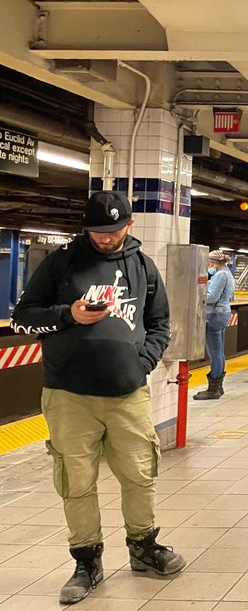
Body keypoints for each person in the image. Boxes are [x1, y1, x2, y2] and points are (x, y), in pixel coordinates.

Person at [11, 191, 186, 605]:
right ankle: (86, 560)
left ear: (129, 225)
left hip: (128, 393)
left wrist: (140, 362)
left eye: (112, 231)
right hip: (68, 394)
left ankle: (144, 546)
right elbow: (23, 316)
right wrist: (67, 314)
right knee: (76, 481)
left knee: (140, 474)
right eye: (97, 232)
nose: (105, 239)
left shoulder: (143, 267)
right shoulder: (60, 263)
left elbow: (160, 322)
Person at [194, 249, 236, 401]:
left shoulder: (219, 275)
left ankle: (213, 389)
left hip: (214, 315)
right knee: (219, 351)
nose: (208, 266)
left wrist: (197, 294)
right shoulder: (228, 274)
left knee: (214, 352)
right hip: (223, 313)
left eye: (209, 263)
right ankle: (218, 386)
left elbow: (211, 297)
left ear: (214, 263)